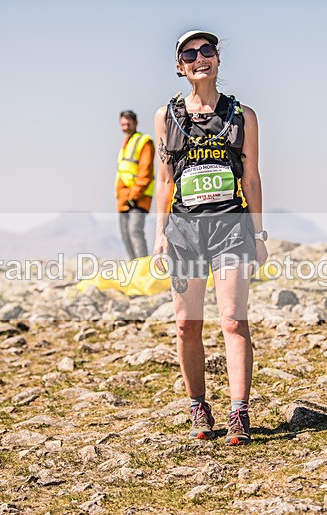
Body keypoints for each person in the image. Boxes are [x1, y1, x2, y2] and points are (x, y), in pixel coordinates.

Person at [152, 30, 268, 446]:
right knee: (186, 324)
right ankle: (197, 404)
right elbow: (164, 180)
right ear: (179, 67)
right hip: (183, 230)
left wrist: (259, 233)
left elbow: (252, 177)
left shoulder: (243, 115)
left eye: (208, 51)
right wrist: (161, 235)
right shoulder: (166, 117)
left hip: (231, 226)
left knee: (234, 321)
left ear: (218, 60)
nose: (200, 58)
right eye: (190, 54)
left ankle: (239, 411)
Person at [116, 110, 155, 259]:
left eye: (128, 123)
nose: (125, 127)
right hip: (123, 199)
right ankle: (134, 270)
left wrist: (134, 195)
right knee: (126, 236)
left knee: (135, 232)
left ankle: (143, 270)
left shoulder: (144, 142)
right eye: (123, 124)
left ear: (135, 123)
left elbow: (146, 172)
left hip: (137, 198)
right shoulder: (125, 146)